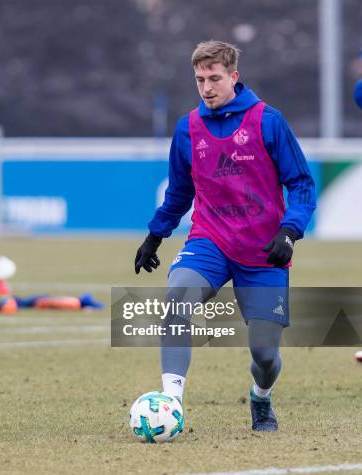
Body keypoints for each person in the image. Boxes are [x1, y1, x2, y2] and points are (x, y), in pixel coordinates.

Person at [134, 41, 316, 431]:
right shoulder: (187, 129)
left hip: (264, 251)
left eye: (214, 78)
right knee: (177, 298)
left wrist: (290, 231)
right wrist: (155, 235)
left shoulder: (269, 121)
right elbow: (180, 193)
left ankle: (261, 398)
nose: (206, 88)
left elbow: (301, 184)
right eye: (200, 79)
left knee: (265, 354)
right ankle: (171, 403)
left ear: (234, 77)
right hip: (209, 241)